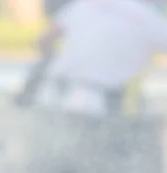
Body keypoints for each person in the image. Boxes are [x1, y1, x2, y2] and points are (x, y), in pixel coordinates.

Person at [34, 0, 167, 116]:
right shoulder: (148, 17)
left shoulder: (85, 3)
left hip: (50, 94)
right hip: (93, 103)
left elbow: (43, 41)